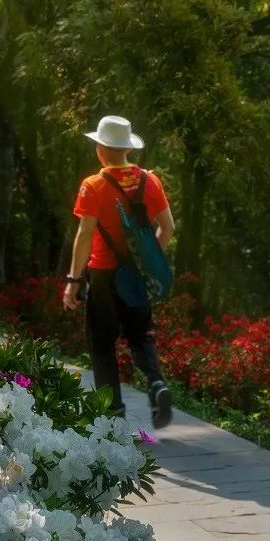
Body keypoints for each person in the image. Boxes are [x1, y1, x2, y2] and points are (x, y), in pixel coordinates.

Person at [62, 115, 175, 429]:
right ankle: (156, 383)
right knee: (141, 334)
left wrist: (73, 280)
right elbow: (167, 228)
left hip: (103, 276)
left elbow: (85, 235)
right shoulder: (149, 181)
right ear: (126, 148)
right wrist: (146, 262)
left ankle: (112, 417)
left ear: (101, 148)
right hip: (136, 275)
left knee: (101, 342)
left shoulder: (93, 185)